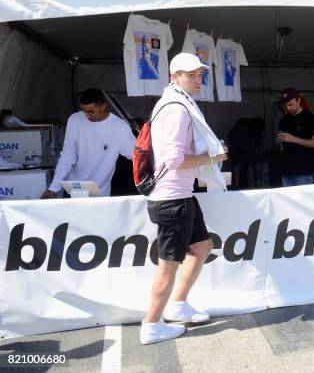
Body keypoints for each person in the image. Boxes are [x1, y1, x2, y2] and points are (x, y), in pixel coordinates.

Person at [140, 53, 228, 345]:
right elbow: (175, 161)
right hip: (171, 199)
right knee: (168, 265)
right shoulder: (176, 109)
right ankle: (151, 324)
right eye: (191, 74)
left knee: (203, 246)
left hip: (181, 196)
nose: (197, 79)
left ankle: (178, 304)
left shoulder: (177, 102)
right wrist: (212, 157)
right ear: (174, 76)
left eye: (200, 74)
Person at [40, 88, 135, 198]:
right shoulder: (75, 120)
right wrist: (53, 188)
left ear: (103, 106)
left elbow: (136, 156)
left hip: (100, 193)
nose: (87, 116)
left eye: (91, 111)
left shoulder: (120, 127)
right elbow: (67, 157)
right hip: (75, 188)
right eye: (84, 111)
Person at [276, 87, 314, 187]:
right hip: (286, 171)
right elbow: (281, 143)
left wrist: (294, 139)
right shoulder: (284, 120)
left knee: (303, 201)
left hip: (303, 172)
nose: (288, 108)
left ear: (298, 100)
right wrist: (279, 141)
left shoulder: (310, 118)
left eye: (290, 104)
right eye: (285, 105)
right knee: (287, 201)